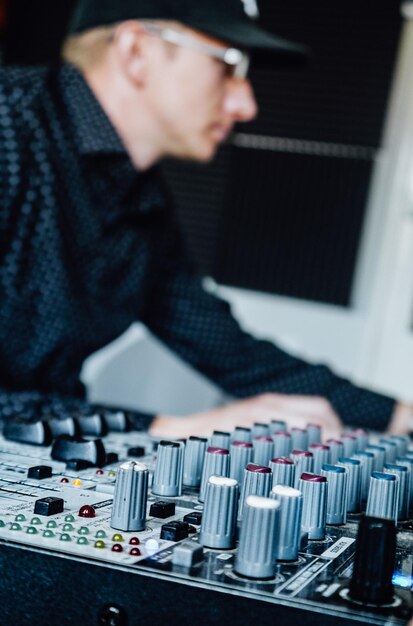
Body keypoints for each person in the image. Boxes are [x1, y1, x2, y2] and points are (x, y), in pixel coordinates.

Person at [0, 0, 411, 440]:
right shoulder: (8, 126)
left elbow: (231, 353)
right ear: (137, 51)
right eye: (229, 66)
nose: (246, 104)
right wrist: (169, 426)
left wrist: (400, 415)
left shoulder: (143, 202)